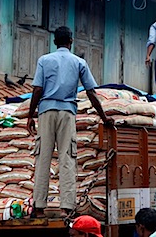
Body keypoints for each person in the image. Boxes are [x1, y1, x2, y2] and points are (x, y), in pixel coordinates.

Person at [27, 26, 113, 219]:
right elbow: (91, 92)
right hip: (67, 113)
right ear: (71, 41)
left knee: (43, 159)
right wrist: (104, 117)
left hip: (46, 112)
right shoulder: (79, 62)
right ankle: (66, 206)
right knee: (67, 158)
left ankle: (39, 205)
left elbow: (38, 90)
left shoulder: (44, 60)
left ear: (55, 41)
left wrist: (30, 115)